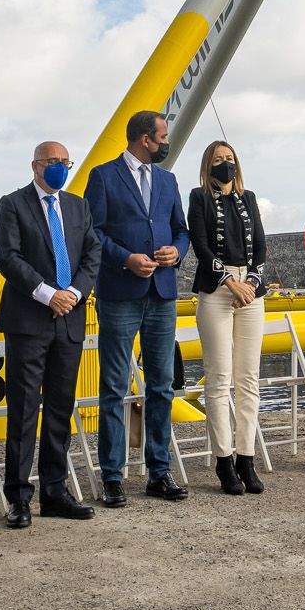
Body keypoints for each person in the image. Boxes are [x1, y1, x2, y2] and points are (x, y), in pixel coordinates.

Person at [0, 139, 102, 527]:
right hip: (28, 321)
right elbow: (8, 258)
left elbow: (92, 254)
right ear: (35, 165)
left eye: (65, 161)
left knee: (60, 408)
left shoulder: (77, 206)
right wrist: (47, 294)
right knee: (23, 410)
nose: (59, 167)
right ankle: (18, 497)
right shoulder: (13, 204)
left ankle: (55, 491)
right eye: (52, 161)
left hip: (70, 319)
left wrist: (73, 292)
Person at [89, 108, 190, 505]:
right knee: (113, 386)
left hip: (162, 294)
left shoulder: (167, 180)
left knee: (161, 385)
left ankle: (159, 472)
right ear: (145, 139)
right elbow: (92, 233)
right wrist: (125, 258)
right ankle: (112, 476)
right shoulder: (103, 176)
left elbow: (182, 230)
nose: (166, 142)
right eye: (162, 136)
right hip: (119, 294)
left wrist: (176, 253)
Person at [186, 139, 268, 495]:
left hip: (250, 290)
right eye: (218, 159)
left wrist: (249, 282)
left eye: (229, 158)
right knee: (219, 381)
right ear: (208, 165)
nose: (225, 164)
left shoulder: (248, 199)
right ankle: (224, 460)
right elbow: (200, 245)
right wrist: (229, 282)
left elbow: (261, 245)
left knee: (248, 380)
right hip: (216, 291)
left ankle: (246, 458)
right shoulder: (199, 197)